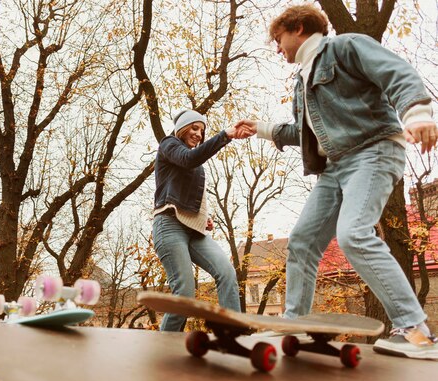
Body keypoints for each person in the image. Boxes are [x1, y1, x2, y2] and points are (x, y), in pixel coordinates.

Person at [235, 4, 438, 359]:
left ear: (298, 28)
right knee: (302, 241)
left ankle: (416, 331)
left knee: (354, 233)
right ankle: (294, 325)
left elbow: (397, 73)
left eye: (278, 39)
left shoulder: (345, 47)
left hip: (372, 152)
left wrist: (417, 112)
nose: (277, 47)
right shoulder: (302, 80)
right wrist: (260, 129)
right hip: (335, 167)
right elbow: (304, 132)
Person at [153, 109, 242, 331]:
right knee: (185, 293)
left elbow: (188, 193)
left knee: (227, 273)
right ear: (182, 128)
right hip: (169, 226)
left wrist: (204, 218)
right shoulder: (169, 145)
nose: (199, 135)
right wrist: (225, 135)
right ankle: (165, 345)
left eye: (202, 131)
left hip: (194, 230)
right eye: (194, 128)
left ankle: (231, 331)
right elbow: (189, 159)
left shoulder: (193, 162)